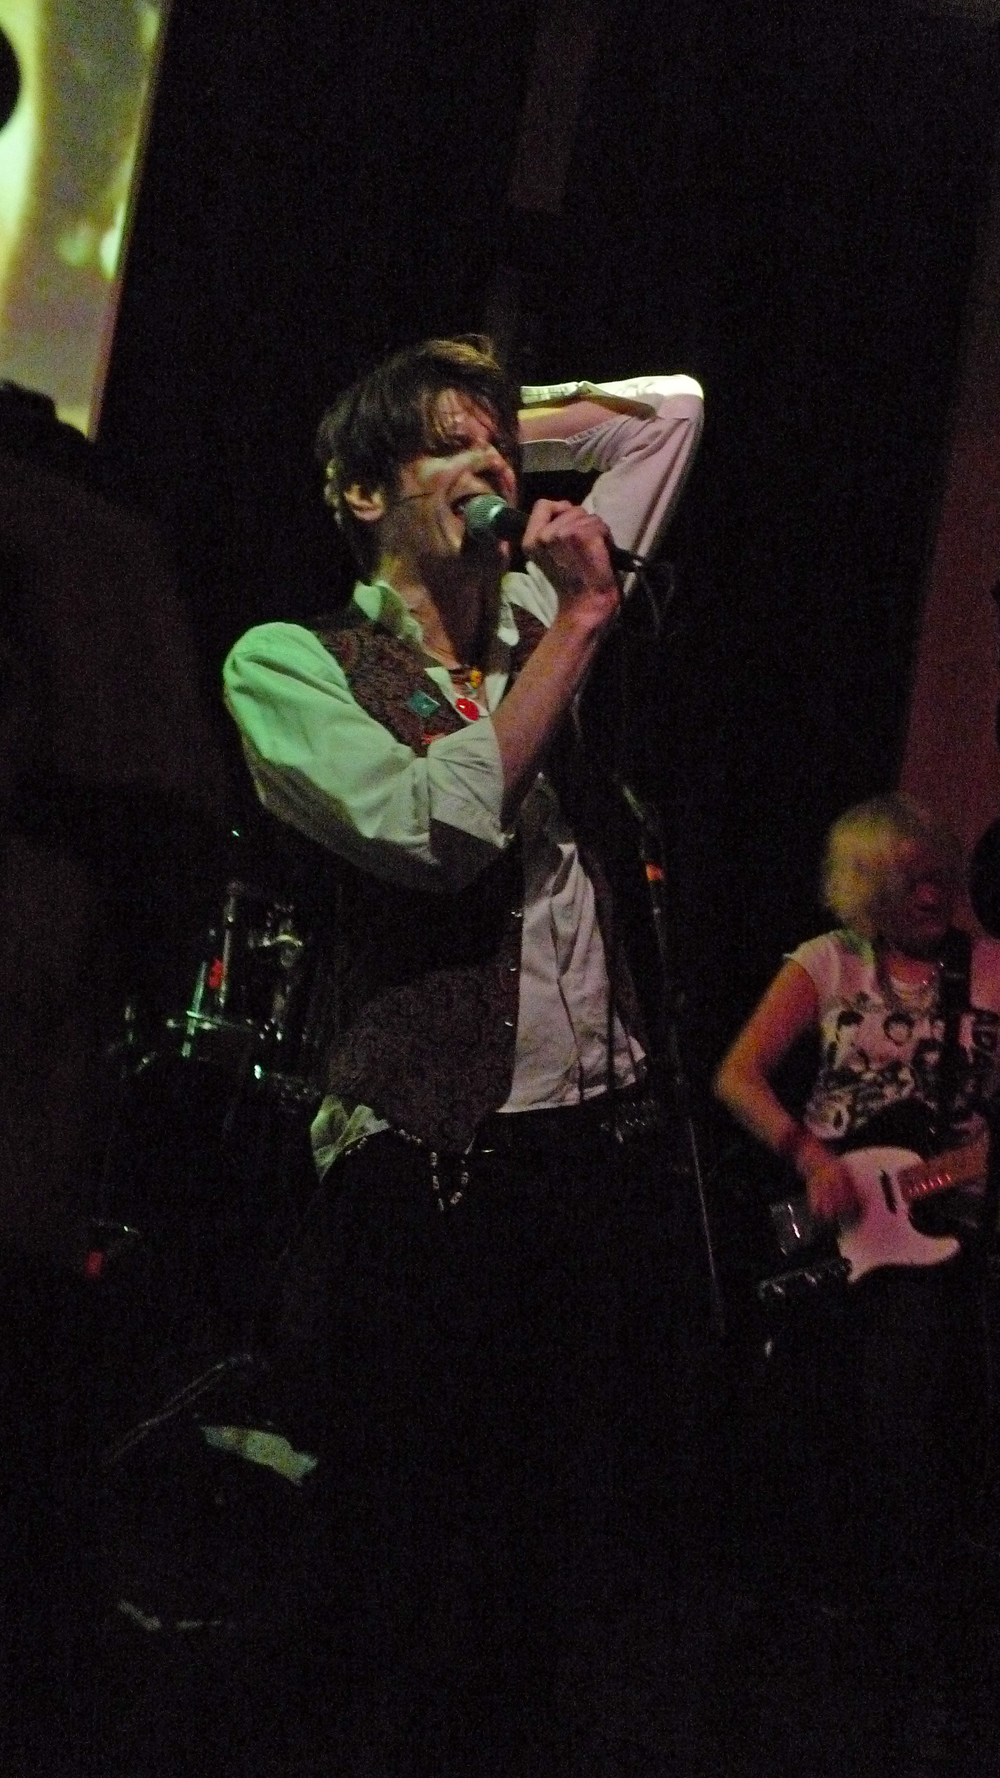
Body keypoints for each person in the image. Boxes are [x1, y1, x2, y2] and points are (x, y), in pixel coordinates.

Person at [222, 336, 703, 1754]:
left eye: (502, 446)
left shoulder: (532, 624)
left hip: (587, 1162)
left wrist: (488, 427)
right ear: (359, 494)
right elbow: (437, 830)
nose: (497, 468)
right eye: (444, 451)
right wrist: (568, 624)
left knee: (547, 1591)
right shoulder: (296, 660)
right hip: (427, 1175)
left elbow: (668, 415)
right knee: (393, 1569)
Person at [713, 793, 1000, 1603]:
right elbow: (737, 1075)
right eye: (910, 884)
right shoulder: (830, 959)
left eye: (940, 877)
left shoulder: (989, 970)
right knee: (808, 1405)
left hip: (948, 1229)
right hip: (831, 1217)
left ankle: (892, 1599)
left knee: (904, 1416)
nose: (934, 897)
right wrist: (808, 1156)